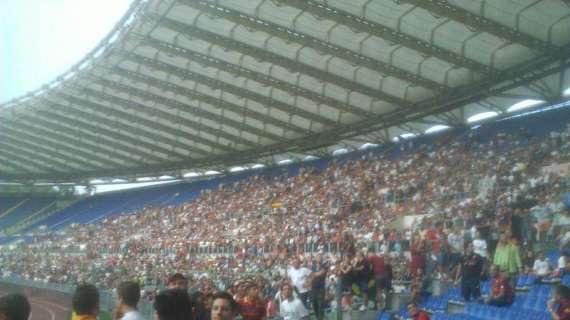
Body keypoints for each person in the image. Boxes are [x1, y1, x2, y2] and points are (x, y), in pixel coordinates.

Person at [309, 254, 327, 320]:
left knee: (320, 305)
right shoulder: (312, 266)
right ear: (315, 259)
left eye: (320, 257)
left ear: (322, 259)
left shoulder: (324, 266)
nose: (319, 258)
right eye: (317, 257)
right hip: (313, 288)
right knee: (314, 305)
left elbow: (321, 273)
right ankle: (318, 318)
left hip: (321, 288)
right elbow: (310, 275)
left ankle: (320, 318)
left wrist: (313, 274)